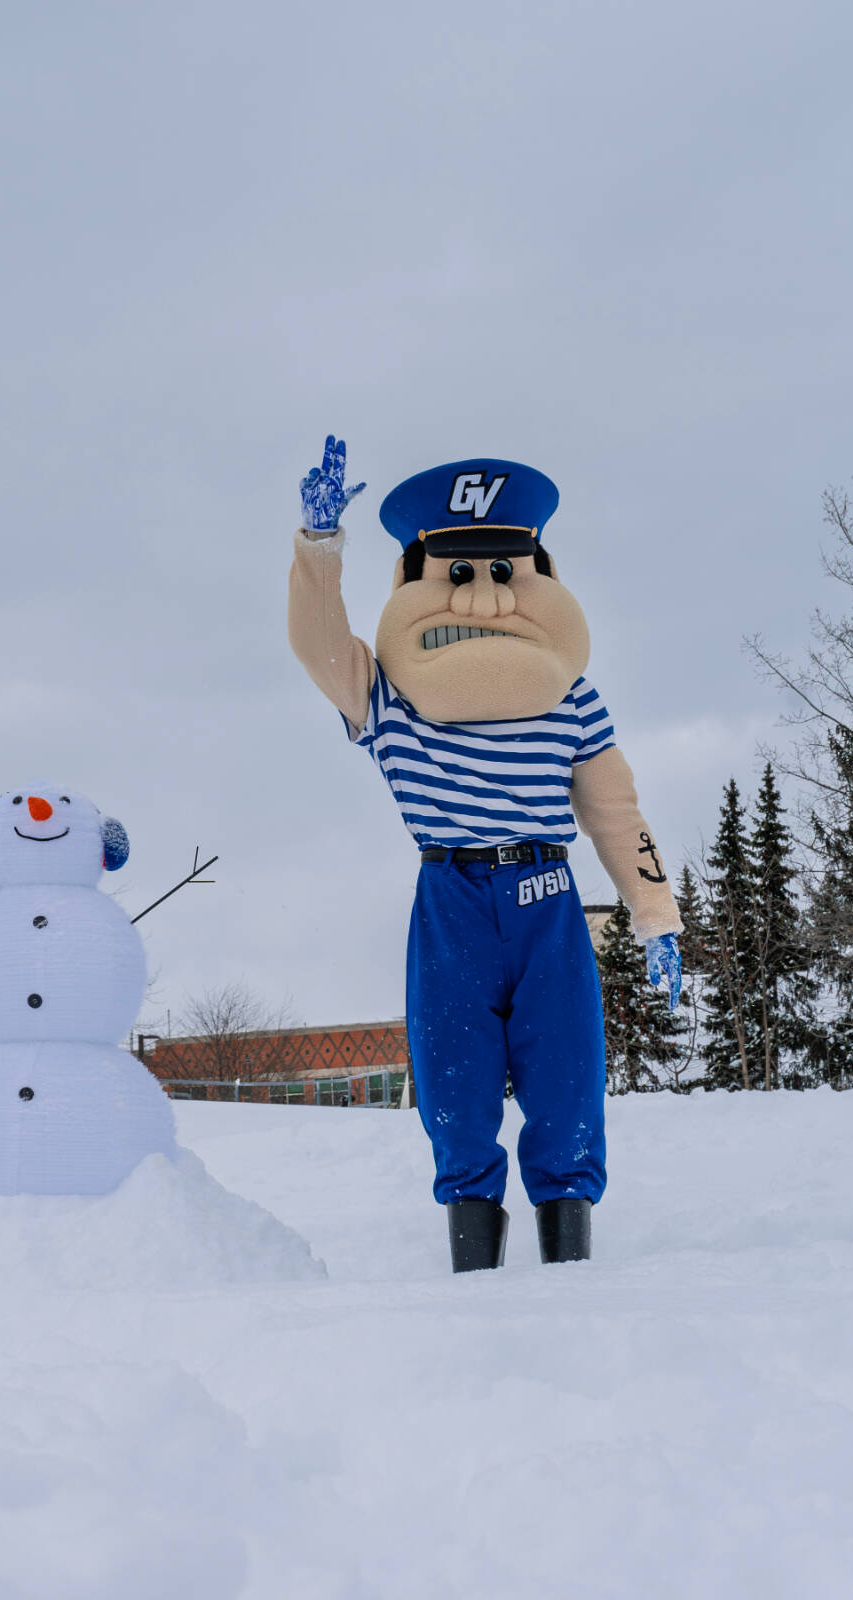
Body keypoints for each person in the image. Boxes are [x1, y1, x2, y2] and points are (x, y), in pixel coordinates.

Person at [287, 437, 682, 1271]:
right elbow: (321, 645)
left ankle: (568, 1245)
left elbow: (613, 805)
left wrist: (653, 913)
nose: (486, 597)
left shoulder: (571, 698)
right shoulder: (386, 698)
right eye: (458, 573)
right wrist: (319, 548)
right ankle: (473, 1251)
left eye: (505, 572)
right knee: (454, 1076)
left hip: (547, 890)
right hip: (451, 895)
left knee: (568, 1069)